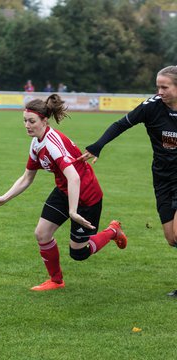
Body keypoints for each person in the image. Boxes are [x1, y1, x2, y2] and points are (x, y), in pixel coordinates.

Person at [0, 94, 127, 291]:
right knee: (42, 233)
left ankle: (112, 231)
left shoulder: (53, 144)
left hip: (86, 196)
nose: (27, 125)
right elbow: (27, 177)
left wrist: (73, 211)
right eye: (25, 121)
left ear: (44, 120)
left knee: (78, 253)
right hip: (64, 190)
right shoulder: (36, 142)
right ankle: (56, 281)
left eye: (31, 121)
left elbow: (74, 177)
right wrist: (3, 198)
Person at [79, 65, 177, 297]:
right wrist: (98, 145)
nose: (159, 91)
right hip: (162, 178)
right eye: (157, 86)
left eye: (165, 87)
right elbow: (121, 124)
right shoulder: (151, 107)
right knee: (172, 238)